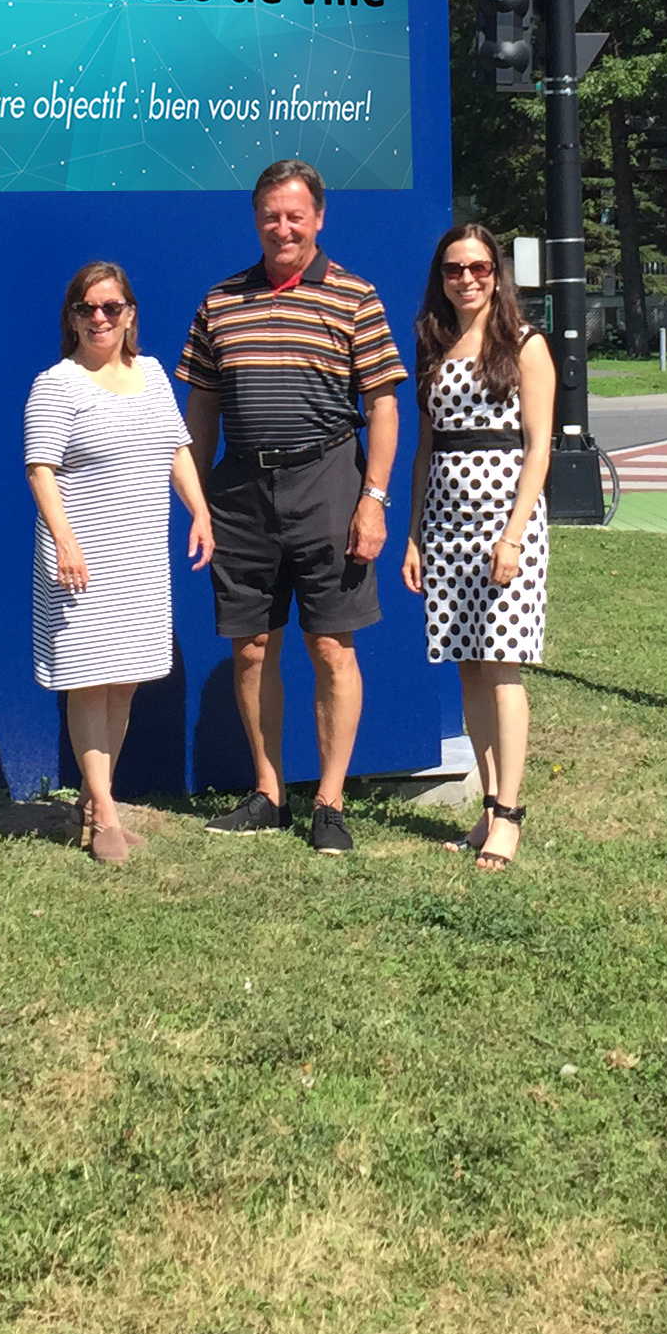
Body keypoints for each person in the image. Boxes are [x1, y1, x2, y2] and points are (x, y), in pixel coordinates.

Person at [177, 157, 407, 854]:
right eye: (271, 215)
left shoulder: (355, 295)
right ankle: (268, 792)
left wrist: (373, 500)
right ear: (256, 220)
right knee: (250, 649)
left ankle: (330, 802)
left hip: (329, 482)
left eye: (295, 214)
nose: (283, 226)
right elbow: (203, 409)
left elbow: (385, 406)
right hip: (241, 491)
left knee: (332, 648)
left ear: (319, 219)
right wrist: (200, 498)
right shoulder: (220, 302)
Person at [25, 259, 213, 866]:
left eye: (111, 307)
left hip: (139, 554)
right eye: (87, 308)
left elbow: (176, 449)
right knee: (88, 677)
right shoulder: (56, 383)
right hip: (79, 555)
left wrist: (200, 512)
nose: (99, 318)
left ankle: (94, 798)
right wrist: (66, 540)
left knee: (125, 678)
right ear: (71, 317)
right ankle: (104, 811)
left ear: (130, 314)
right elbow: (40, 469)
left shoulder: (153, 374)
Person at [403, 221, 554, 869]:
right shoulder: (433, 344)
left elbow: (540, 446)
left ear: (498, 275)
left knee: (503, 666)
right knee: (468, 665)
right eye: (454, 270)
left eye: (479, 269)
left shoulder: (525, 344)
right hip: (445, 524)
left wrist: (514, 534)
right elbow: (426, 446)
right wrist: (413, 534)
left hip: (505, 523)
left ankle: (512, 814)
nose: (466, 280)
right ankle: (487, 808)